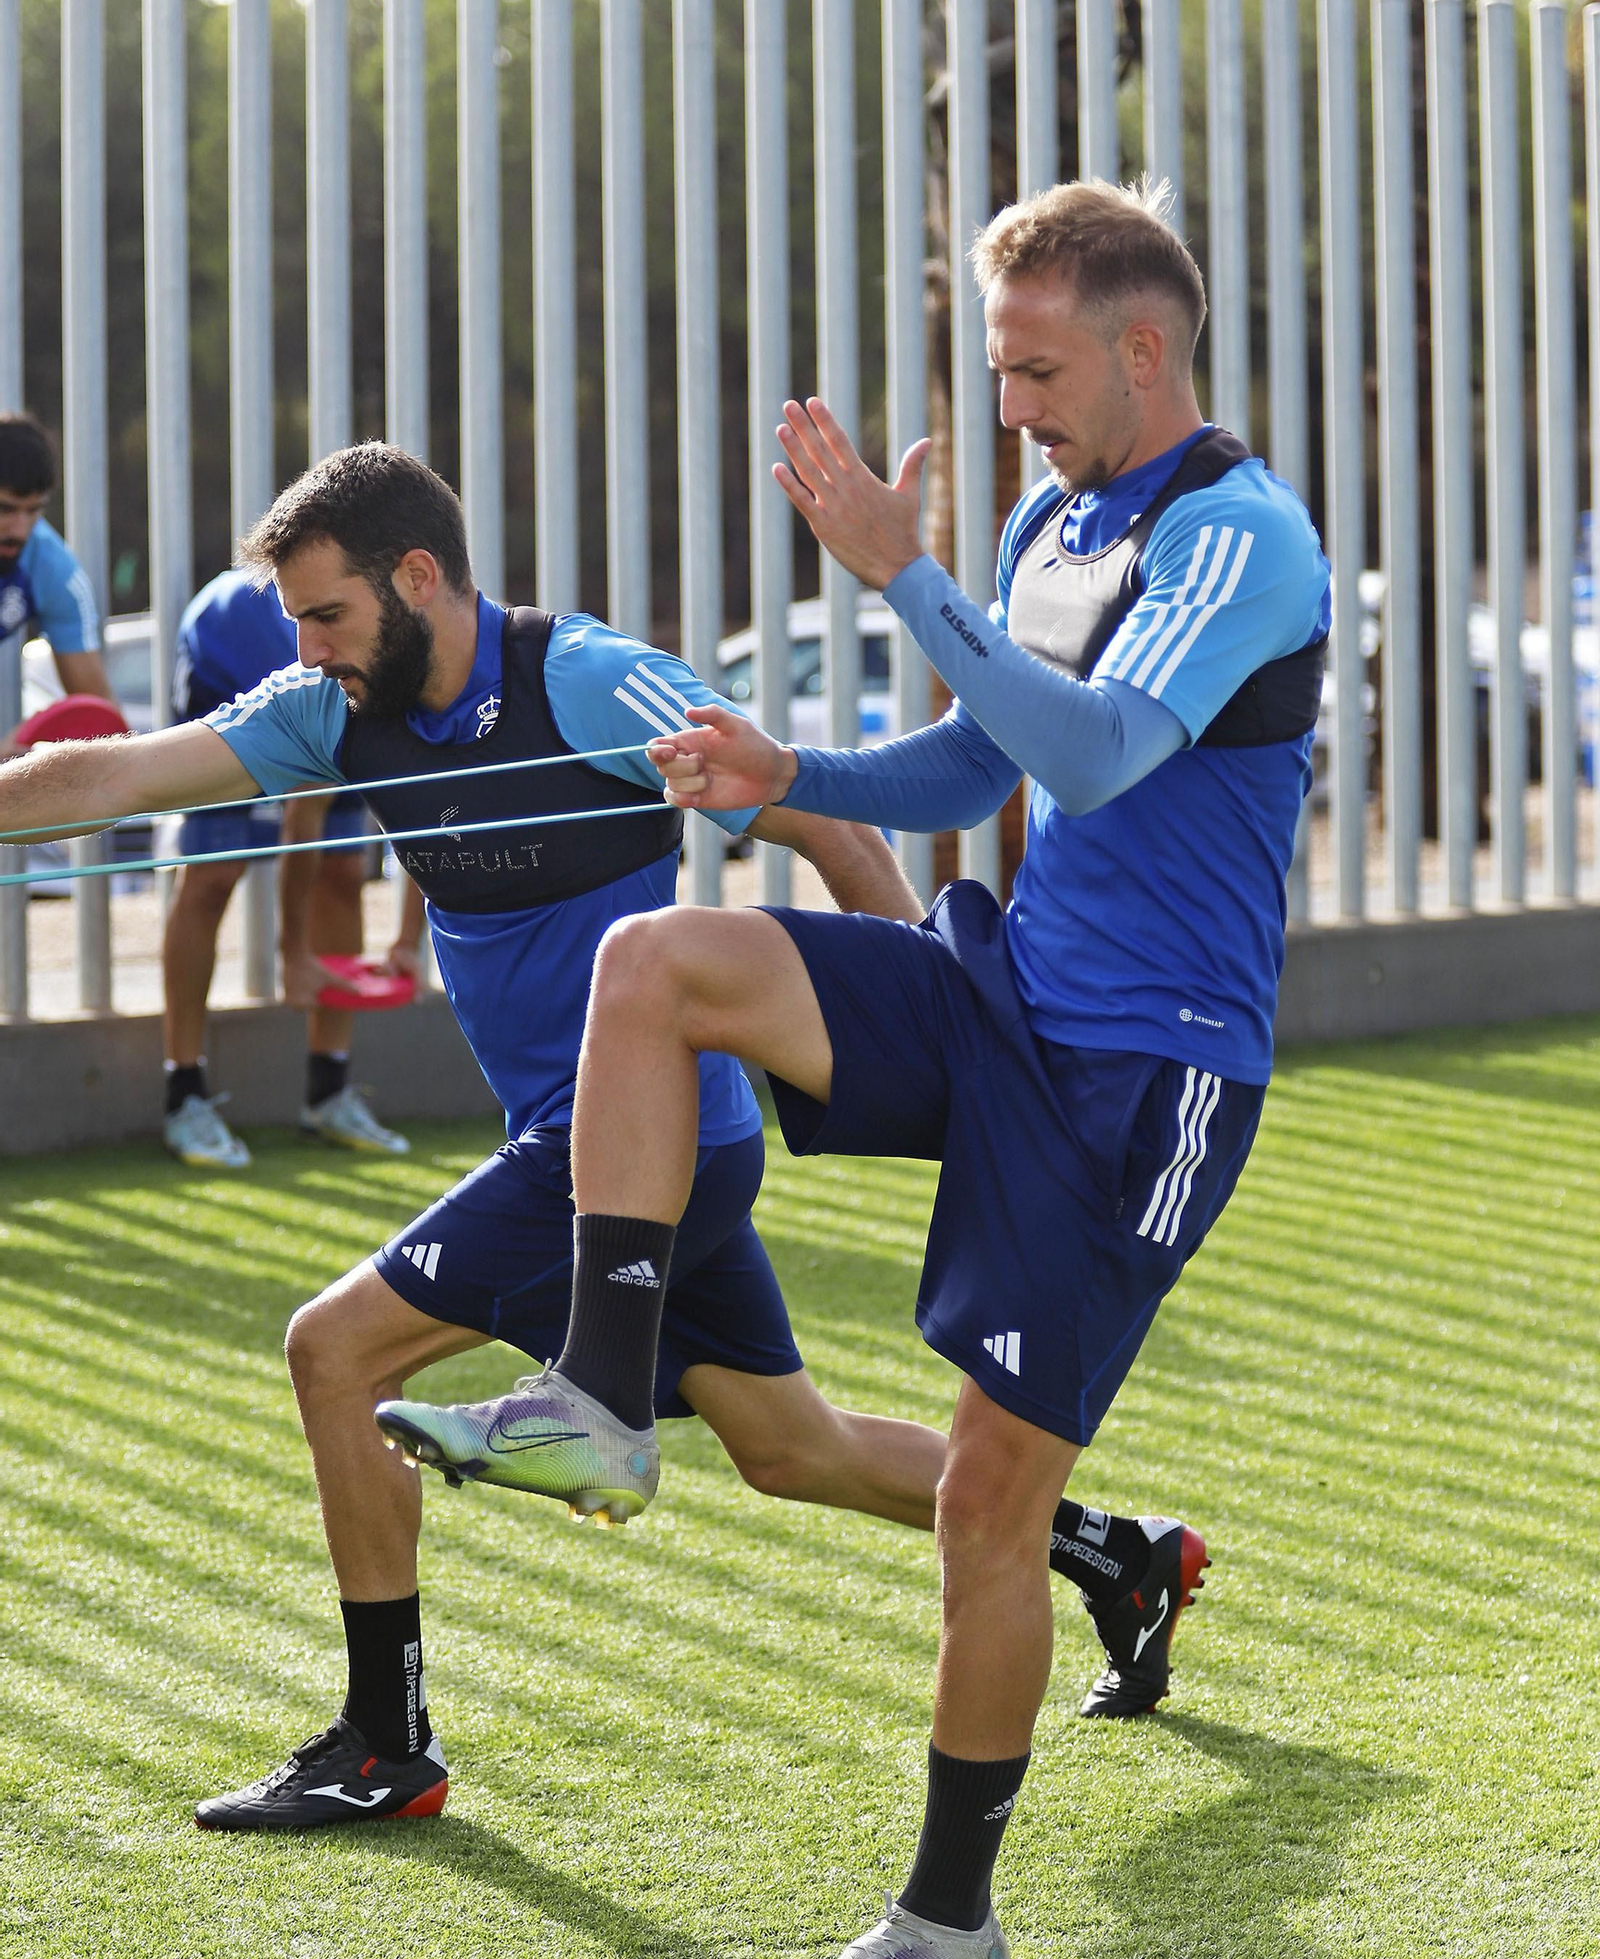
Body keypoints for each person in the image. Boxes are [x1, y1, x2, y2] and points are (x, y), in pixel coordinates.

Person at [395, 179, 1331, 1959]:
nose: (1013, 410)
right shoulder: (1064, 516)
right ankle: (603, 1395)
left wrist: (905, 574)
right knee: (658, 966)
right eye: (998, 370)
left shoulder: (1244, 537)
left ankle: (949, 1920)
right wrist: (785, 764)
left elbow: (1095, 748)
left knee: (990, 1506)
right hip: (1013, 994)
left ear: (1147, 346)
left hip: (1149, 1082)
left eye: (1040, 367)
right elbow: (982, 754)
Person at [0, 442, 1169, 1839]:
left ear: (417, 577)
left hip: (628, 1151)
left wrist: (946, 1054)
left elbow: (827, 824)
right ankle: (1117, 1554)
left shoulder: (595, 682)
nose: (308, 648)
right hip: (643, 1162)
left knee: (335, 1348)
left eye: (328, 615)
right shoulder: (334, 708)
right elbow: (112, 778)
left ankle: (386, 1740)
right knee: (793, 1452)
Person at [162, 568, 416, 1168]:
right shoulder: (328, 679)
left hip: (345, 684)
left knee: (345, 872)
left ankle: (327, 1092)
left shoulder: (434, 682)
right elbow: (303, 818)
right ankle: (183, 1095)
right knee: (214, 875)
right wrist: (292, 957)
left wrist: (409, 942)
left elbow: (431, 814)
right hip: (228, 656)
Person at [0, 412, 117, 738]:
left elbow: (101, 721)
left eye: (34, 509)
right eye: (5, 509)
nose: (20, 530)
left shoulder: (53, 569)